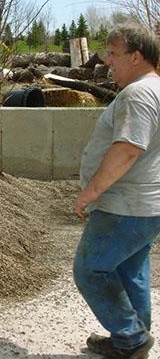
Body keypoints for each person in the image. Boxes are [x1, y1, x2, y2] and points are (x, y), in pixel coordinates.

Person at [74, 26, 160, 359]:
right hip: (147, 205)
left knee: (89, 269)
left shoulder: (138, 94)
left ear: (136, 56)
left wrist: (90, 192)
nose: (108, 62)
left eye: (114, 53)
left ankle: (131, 337)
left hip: (126, 205)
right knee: (130, 270)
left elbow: (127, 149)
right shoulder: (155, 89)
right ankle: (131, 339)